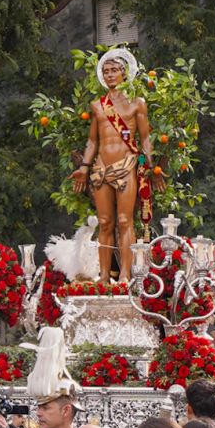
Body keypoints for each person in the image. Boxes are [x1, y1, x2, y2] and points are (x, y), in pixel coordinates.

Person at [70, 47, 154, 282]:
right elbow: (92, 140)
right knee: (105, 223)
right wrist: (84, 168)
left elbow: (145, 139)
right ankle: (105, 278)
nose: (109, 75)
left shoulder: (137, 103)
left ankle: (126, 276)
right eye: (105, 71)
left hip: (126, 165)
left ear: (124, 73)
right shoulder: (97, 106)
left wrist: (149, 166)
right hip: (101, 169)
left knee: (125, 221)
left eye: (114, 70)